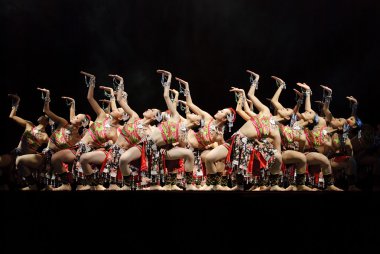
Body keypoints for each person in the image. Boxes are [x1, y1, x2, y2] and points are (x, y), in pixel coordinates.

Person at [204, 70, 284, 191]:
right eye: (282, 107)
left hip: (251, 146)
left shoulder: (275, 131)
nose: (281, 108)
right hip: (234, 142)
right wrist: (255, 80)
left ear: (286, 117)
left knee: (278, 157)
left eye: (285, 109)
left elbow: (278, 154)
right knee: (209, 158)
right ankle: (215, 185)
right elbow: (251, 95)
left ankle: (273, 185)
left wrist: (274, 168)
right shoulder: (265, 111)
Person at [16, 88, 84, 190]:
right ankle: (33, 187)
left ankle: (66, 185)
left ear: (81, 124)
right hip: (45, 156)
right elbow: (46, 111)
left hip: (57, 161)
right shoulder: (63, 123)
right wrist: (47, 95)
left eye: (77, 117)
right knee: (20, 161)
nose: (74, 117)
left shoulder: (78, 138)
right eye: (75, 115)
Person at [0, 94, 49, 190]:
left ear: (47, 122)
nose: (41, 116)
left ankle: (33, 186)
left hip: (26, 158)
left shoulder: (45, 136)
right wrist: (16, 102)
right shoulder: (29, 124)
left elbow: (52, 147)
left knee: (20, 163)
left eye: (44, 116)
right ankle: (4, 185)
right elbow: (12, 116)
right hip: (15, 153)